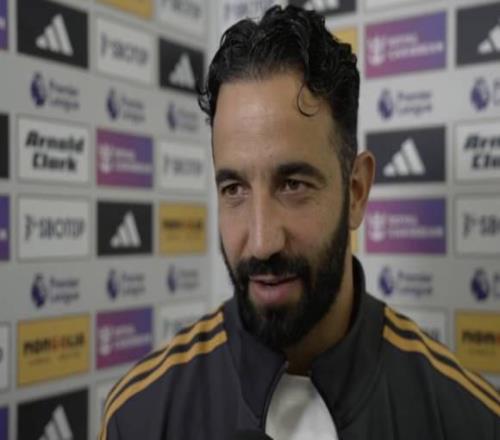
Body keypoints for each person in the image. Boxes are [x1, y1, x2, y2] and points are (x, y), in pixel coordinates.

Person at [100, 6, 500, 439]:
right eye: (234, 189)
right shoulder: (140, 416)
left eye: (292, 185)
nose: (261, 241)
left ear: (357, 191)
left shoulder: (468, 419)